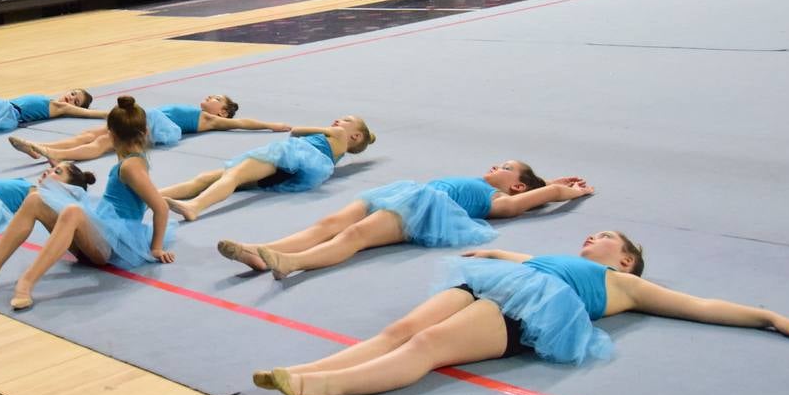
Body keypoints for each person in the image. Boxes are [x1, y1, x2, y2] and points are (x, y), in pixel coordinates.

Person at [253, 231, 789, 395]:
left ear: (626, 258)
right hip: (497, 284)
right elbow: (519, 258)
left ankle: (330, 388)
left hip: (537, 311)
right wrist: (490, 256)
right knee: (396, 332)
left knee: (427, 343)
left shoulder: (625, 285)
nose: (593, 236)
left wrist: (767, 315)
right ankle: (308, 369)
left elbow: (699, 305)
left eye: (605, 236)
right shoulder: (548, 256)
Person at [0, 96, 175, 310]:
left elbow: (161, 207)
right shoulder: (131, 157)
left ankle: (27, 282)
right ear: (144, 132)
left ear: (111, 134)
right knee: (34, 200)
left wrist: (155, 249)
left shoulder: (130, 166)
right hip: (102, 232)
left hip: (115, 244)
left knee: (73, 212)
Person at [219, 161, 593, 279]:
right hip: (401, 195)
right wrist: (551, 180)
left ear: (516, 186)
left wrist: (562, 192)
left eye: (506, 167)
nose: (496, 166)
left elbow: (517, 206)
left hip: (426, 210)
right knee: (329, 223)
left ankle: (293, 262)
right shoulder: (486, 182)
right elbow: (532, 189)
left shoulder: (496, 197)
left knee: (355, 234)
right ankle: (260, 251)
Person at [160, 116, 375, 221]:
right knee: (210, 178)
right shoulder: (337, 155)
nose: (338, 121)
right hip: (294, 175)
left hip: (291, 156)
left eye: (345, 120)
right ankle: (155, 195)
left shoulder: (336, 134)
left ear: (354, 136)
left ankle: (195, 206)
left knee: (233, 175)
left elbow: (297, 131)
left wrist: (324, 129)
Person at [9, 94, 290, 162]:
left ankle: (56, 153)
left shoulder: (211, 120)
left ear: (223, 111)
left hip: (154, 125)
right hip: (148, 119)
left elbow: (243, 123)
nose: (209, 98)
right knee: (91, 135)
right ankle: (46, 149)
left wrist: (270, 125)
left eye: (216, 99)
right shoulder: (200, 112)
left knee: (105, 142)